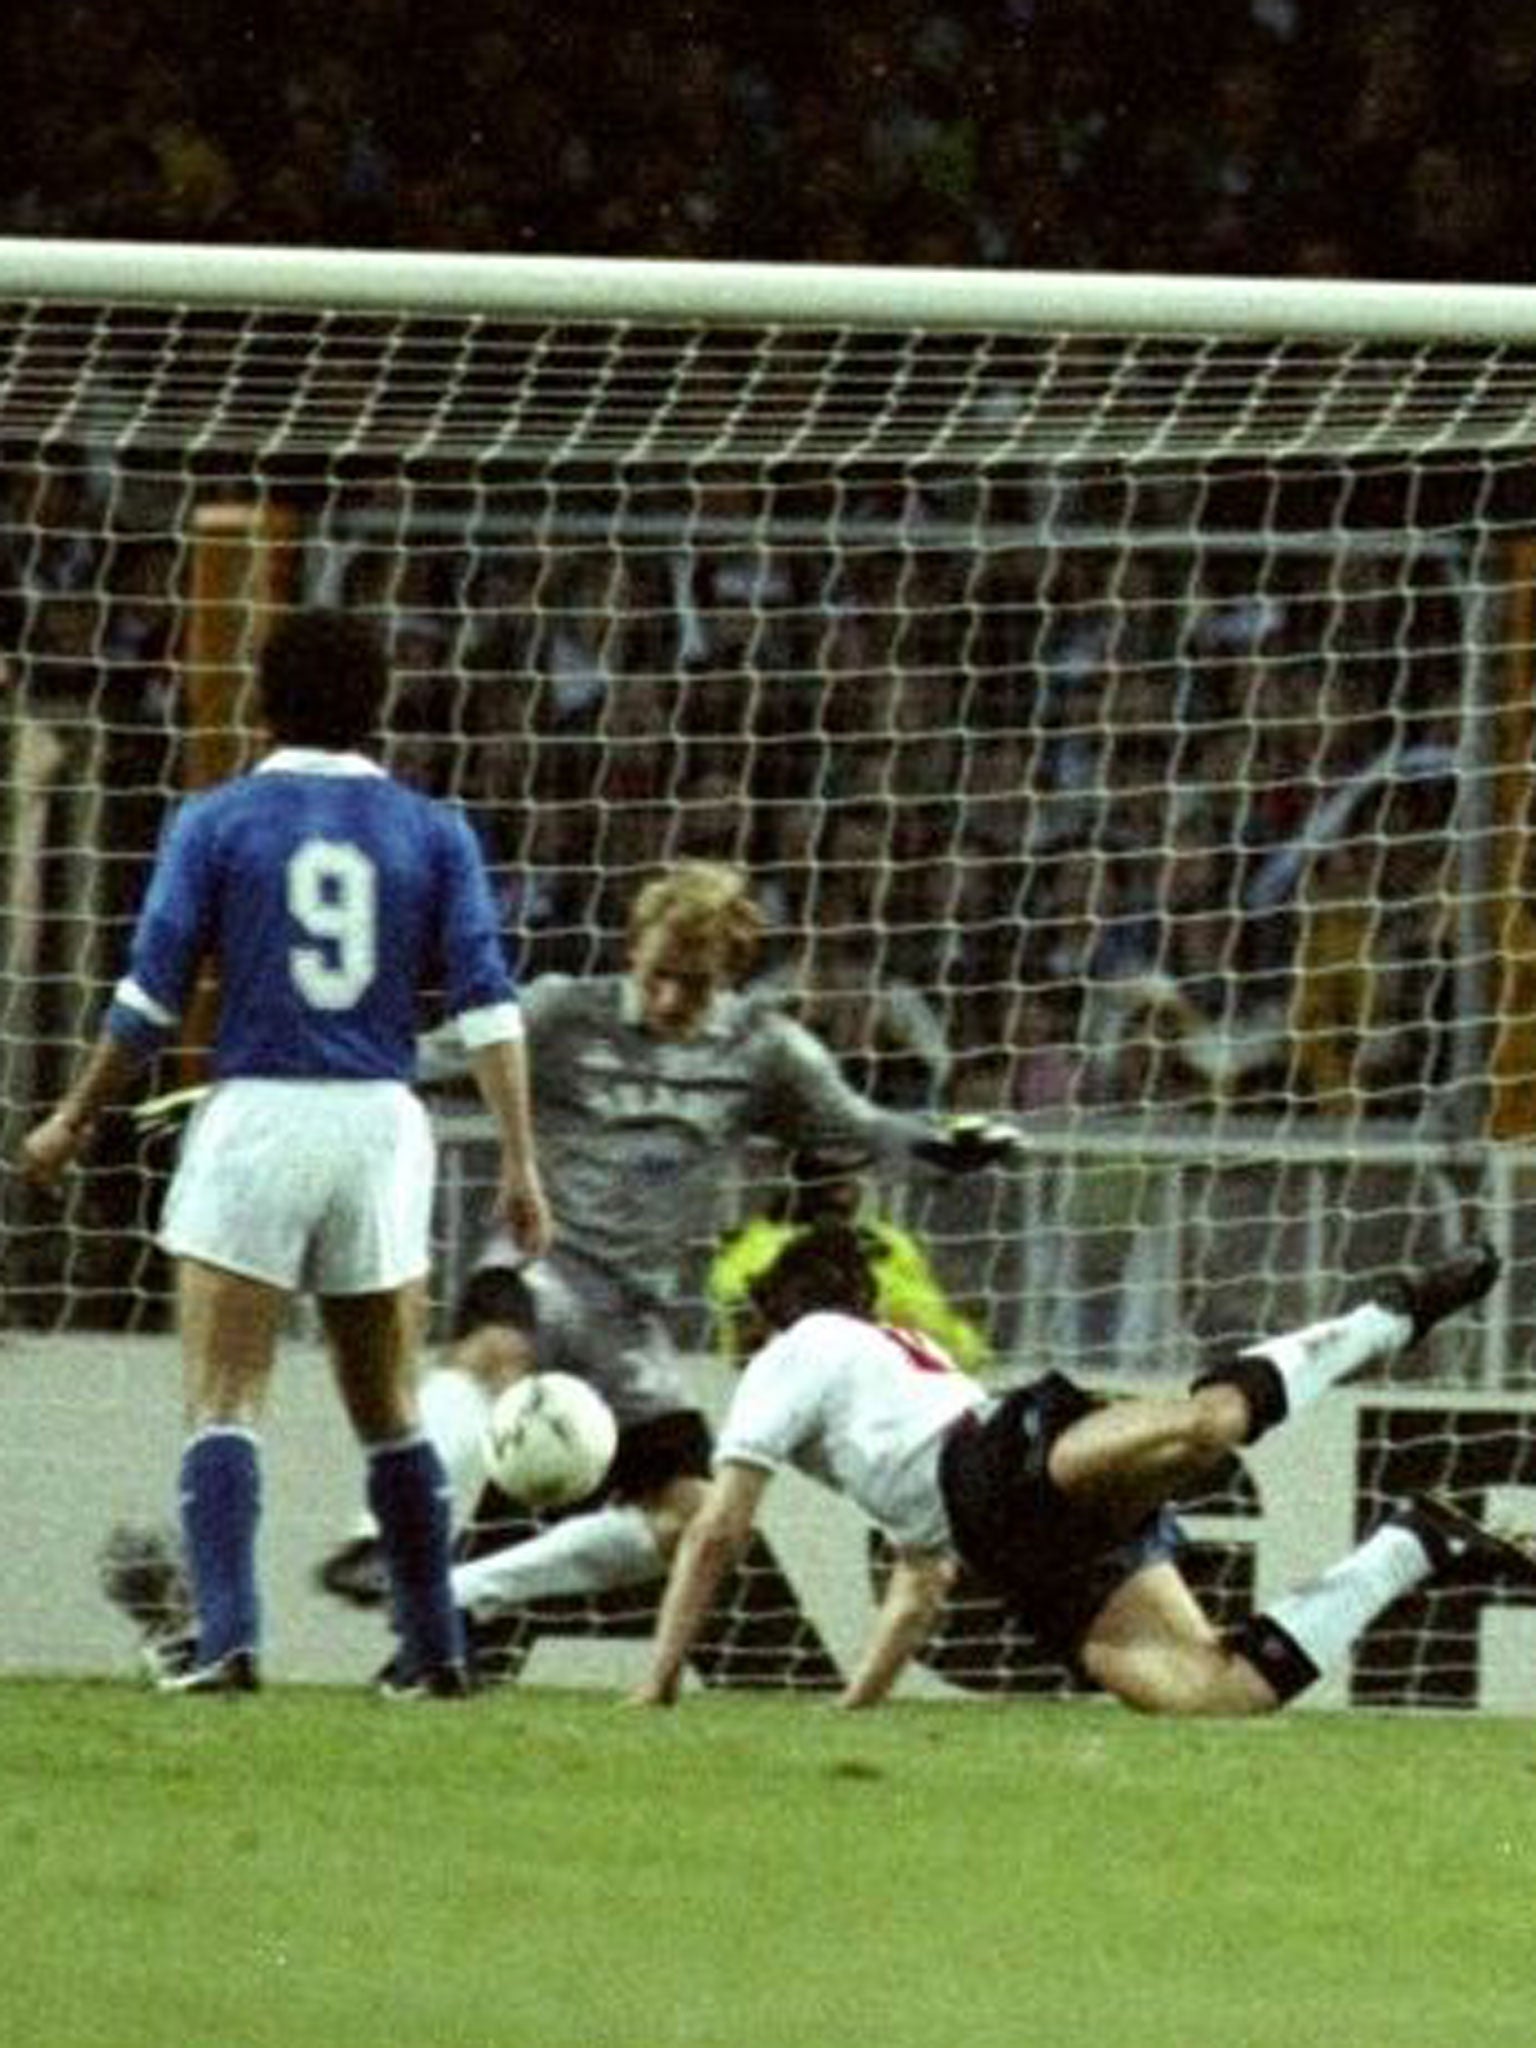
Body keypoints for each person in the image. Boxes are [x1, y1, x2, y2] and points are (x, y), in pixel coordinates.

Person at [21, 607, 551, 1699]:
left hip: (260, 1111)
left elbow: (149, 996)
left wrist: (75, 1113)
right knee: (391, 1406)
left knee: (225, 1392)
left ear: (261, 698)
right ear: (381, 704)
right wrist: (519, 1159)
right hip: (380, 1121)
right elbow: (491, 1005)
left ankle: (226, 1638)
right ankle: (437, 1647)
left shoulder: (217, 820)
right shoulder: (432, 827)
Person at [318, 858, 1022, 1635]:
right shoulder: (560, 1013)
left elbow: (854, 1129)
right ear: (631, 951)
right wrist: (280, 1089)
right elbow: (418, 1059)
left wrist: (944, 1146)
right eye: (657, 975)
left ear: (730, 971)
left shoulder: (765, 1050)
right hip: (539, 1263)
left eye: (694, 983)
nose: (669, 999)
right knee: (493, 1352)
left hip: (630, 1316)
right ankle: (380, 1538)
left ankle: (451, 1596)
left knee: (690, 1518)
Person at [633, 1219, 1529, 1712]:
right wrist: (855, 1709)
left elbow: (720, 1527)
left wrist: (659, 1679)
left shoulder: (803, 1347)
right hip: (1006, 1538)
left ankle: (1390, 1316)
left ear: (778, 1311)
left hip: (996, 1469)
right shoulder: (882, 1379)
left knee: (1206, 1429)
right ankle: (1419, 1541)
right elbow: (920, 1581)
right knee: (1219, 1694)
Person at [706, 1142, 992, 1373]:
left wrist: (963, 1346)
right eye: (833, 1177)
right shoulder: (751, 1249)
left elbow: (950, 1343)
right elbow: (744, 1339)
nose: (847, 1189)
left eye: (848, 1178)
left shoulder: (887, 1242)